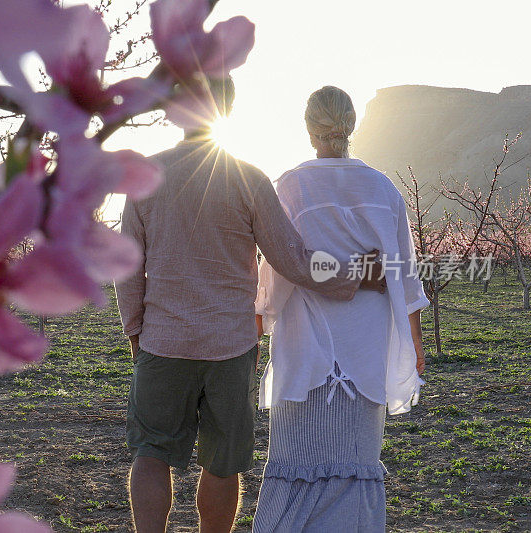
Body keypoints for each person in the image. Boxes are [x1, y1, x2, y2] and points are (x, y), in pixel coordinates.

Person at [114, 77, 386, 533]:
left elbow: (125, 268)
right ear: (228, 109)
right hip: (230, 348)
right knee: (223, 462)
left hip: (163, 343)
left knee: (151, 453)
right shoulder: (250, 180)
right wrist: (356, 276)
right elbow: (295, 262)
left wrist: (136, 332)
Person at [252, 86, 428, 533]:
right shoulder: (382, 188)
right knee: (356, 463)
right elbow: (403, 275)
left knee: (295, 461)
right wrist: (415, 341)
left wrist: (259, 319)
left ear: (310, 129)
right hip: (364, 346)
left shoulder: (290, 186)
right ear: (351, 126)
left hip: (304, 347)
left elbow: (275, 273)